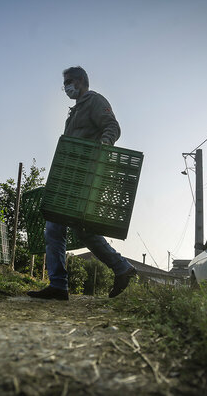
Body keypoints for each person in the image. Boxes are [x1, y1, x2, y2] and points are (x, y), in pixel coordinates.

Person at [27, 66, 137, 301]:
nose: (66, 87)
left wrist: (105, 144)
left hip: (85, 177)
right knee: (80, 230)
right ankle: (121, 268)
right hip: (71, 176)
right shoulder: (74, 111)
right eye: (64, 83)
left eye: (69, 81)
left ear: (81, 81)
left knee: (56, 228)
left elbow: (112, 126)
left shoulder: (94, 101)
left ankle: (59, 285)